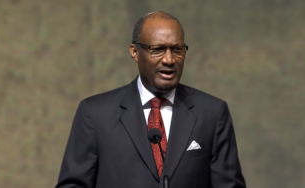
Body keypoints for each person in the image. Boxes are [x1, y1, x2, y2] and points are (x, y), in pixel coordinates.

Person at [55, 11, 246, 188]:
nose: (169, 60)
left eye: (177, 49)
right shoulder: (96, 114)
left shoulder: (212, 113)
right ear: (135, 52)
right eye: (158, 49)